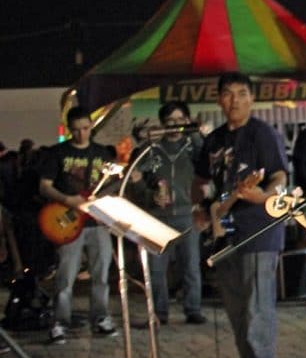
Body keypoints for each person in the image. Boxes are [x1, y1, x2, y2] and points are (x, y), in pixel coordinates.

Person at [193, 72, 289, 358]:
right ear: (218, 99)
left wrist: (263, 196)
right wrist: (204, 206)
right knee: (234, 304)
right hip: (225, 230)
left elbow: (278, 176)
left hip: (259, 229)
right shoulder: (214, 139)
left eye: (241, 94)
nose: (234, 101)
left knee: (257, 303)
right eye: (228, 94)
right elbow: (203, 180)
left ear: (251, 98)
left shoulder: (263, 135)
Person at [39, 107, 118, 343]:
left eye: (85, 129)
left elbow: (111, 184)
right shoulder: (57, 153)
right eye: (75, 130)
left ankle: (101, 318)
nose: (81, 135)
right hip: (69, 221)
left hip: (97, 221)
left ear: (91, 127)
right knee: (65, 276)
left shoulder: (102, 153)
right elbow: (44, 186)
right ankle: (60, 322)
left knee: (101, 274)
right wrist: (67, 200)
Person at [126, 101, 206, 325]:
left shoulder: (193, 147)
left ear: (187, 121)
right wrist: (150, 194)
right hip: (157, 216)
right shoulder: (151, 149)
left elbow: (208, 160)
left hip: (187, 214)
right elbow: (134, 179)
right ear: (162, 123)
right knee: (156, 268)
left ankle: (193, 309)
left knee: (191, 265)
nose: (175, 126)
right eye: (170, 121)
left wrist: (196, 132)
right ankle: (159, 313)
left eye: (180, 121)